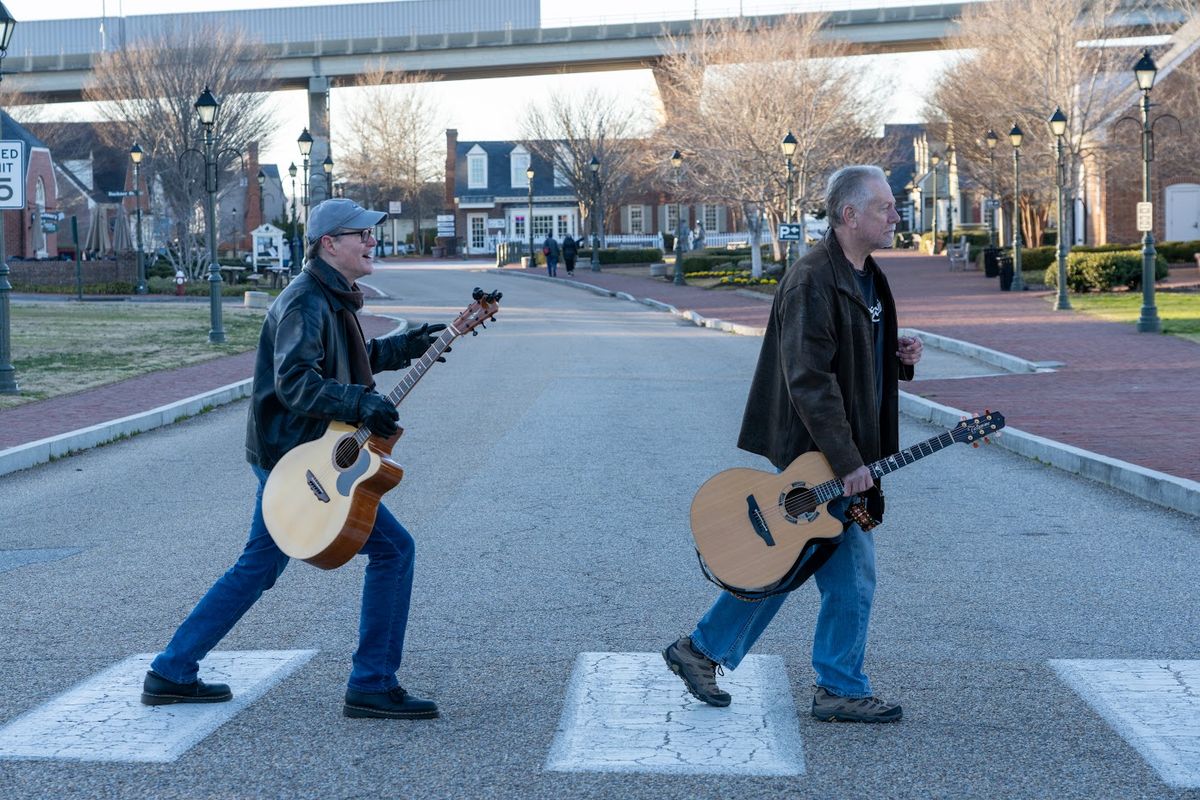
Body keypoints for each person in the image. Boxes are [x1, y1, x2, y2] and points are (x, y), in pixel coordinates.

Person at [141, 198, 446, 721]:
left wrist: (410, 346)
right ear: (330, 244)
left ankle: (171, 671)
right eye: (362, 235)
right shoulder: (306, 301)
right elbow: (297, 381)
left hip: (299, 453)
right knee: (394, 550)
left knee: (259, 564)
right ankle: (372, 683)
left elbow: (353, 360)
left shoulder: (332, 298)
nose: (372, 242)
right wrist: (357, 402)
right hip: (296, 460)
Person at [662, 165, 923, 723]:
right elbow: (809, 380)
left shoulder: (865, 276)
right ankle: (839, 687)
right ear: (850, 215)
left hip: (844, 451)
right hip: (818, 455)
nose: (895, 215)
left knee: (788, 562)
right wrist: (850, 464)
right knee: (844, 570)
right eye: (885, 206)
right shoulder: (813, 279)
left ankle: (702, 650)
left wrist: (893, 358)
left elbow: (846, 362)